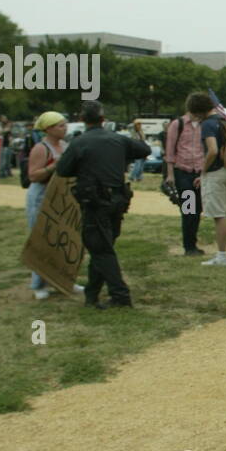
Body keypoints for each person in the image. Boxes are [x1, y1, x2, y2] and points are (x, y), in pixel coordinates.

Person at [55, 101, 149, 308]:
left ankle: (120, 296)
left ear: (82, 120)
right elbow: (144, 149)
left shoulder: (80, 142)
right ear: (103, 120)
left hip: (95, 202)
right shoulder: (118, 139)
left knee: (100, 250)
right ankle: (92, 294)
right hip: (118, 200)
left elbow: (62, 170)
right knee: (103, 247)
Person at [25, 112, 73, 300]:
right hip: (40, 196)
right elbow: (33, 175)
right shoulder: (40, 148)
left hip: (58, 196)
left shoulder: (64, 145)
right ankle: (38, 284)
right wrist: (54, 166)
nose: (65, 128)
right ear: (49, 129)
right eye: (60, 125)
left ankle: (59, 279)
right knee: (41, 240)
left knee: (60, 239)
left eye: (65, 124)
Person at [164, 93, 210, 257]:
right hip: (183, 173)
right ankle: (189, 245)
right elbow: (170, 151)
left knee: (197, 210)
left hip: (199, 173)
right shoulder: (178, 124)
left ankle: (192, 243)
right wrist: (170, 175)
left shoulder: (205, 125)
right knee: (188, 210)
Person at [199, 105, 226, 266]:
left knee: (218, 214)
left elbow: (212, 150)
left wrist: (203, 170)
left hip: (213, 171)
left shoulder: (207, 124)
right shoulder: (223, 120)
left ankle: (221, 255)